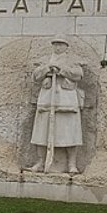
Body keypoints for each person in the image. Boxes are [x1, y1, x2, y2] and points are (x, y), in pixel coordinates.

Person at [29, 38, 85, 173]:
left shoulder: (72, 60)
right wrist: (47, 69)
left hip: (66, 100)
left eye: (60, 44)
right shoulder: (45, 59)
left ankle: (72, 164)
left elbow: (79, 75)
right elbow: (35, 76)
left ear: (66, 46)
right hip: (47, 100)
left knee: (70, 133)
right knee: (42, 132)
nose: (57, 47)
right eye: (55, 44)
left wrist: (61, 70)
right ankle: (41, 162)